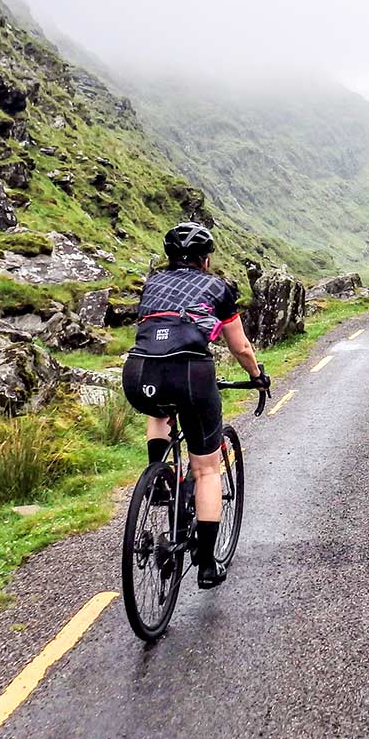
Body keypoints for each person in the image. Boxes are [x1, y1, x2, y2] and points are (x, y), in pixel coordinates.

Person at [122, 221, 270, 589]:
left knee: (159, 411)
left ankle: (157, 476)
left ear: (170, 257)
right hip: (191, 373)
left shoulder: (152, 283)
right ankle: (206, 563)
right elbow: (240, 347)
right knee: (206, 469)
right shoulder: (218, 288)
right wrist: (256, 376)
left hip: (140, 372)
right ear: (206, 260)